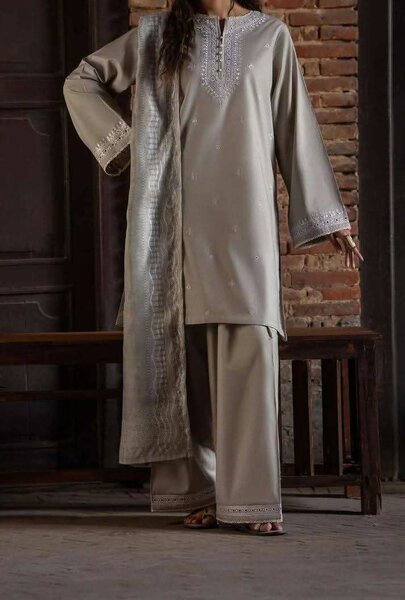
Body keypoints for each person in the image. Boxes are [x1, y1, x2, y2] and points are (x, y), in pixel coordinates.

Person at [63, 0, 363, 536]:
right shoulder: (159, 34)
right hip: (176, 223)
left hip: (248, 226)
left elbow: (294, 127)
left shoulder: (270, 37)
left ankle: (252, 501)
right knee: (187, 364)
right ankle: (198, 493)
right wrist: (126, 143)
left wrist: (331, 219)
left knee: (251, 353)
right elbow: (81, 80)